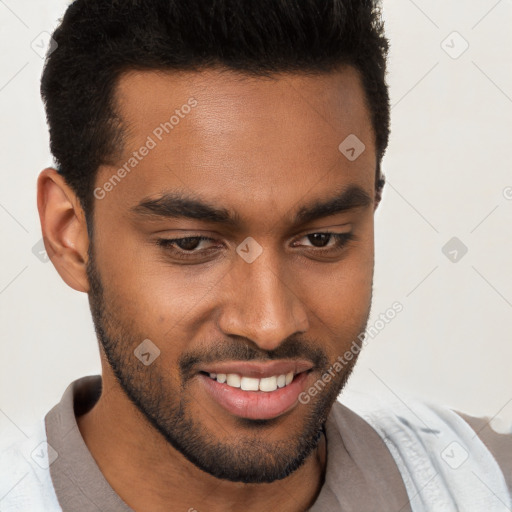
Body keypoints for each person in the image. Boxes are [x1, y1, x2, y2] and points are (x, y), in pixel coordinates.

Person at [1, 1, 510, 511]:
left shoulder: (483, 483)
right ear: (70, 234)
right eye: (191, 243)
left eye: (321, 239)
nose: (270, 324)